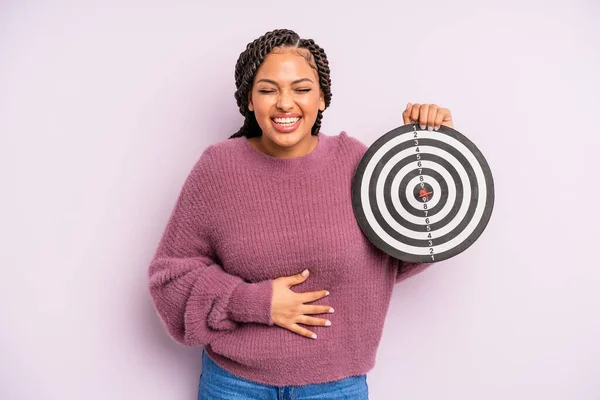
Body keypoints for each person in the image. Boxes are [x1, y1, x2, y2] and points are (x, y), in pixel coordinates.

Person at [147, 28, 454, 400]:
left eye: (301, 88)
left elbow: (405, 252)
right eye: (268, 89)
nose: (285, 103)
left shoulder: (356, 163)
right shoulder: (218, 169)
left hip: (336, 386)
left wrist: (435, 151)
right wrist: (256, 302)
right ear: (249, 100)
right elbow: (170, 279)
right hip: (235, 385)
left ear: (322, 98)